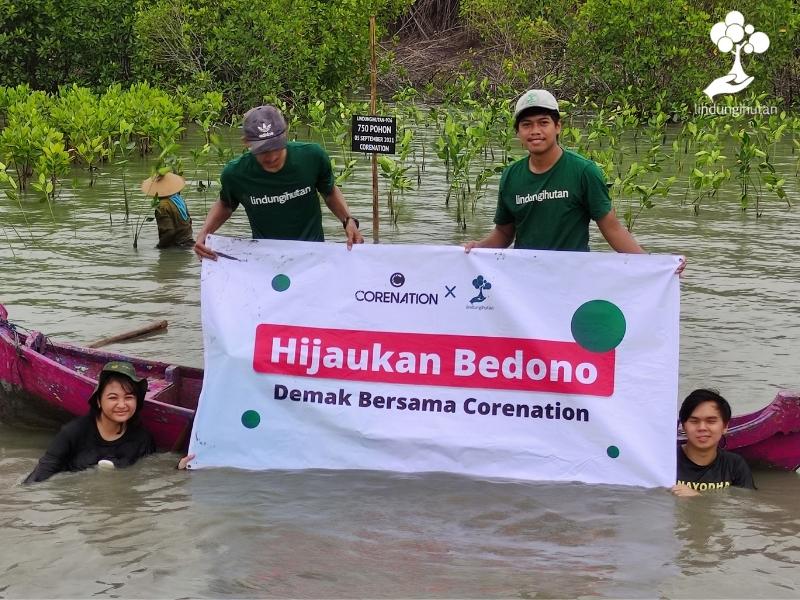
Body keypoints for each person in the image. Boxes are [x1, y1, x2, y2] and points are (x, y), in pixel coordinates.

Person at [465, 89, 684, 273]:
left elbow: (612, 228)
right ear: (518, 132)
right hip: (524, 279)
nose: (535, 131)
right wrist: (476, 248)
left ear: (558, 126)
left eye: (543, 123)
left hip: (573, 277)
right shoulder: (511, 176)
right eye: (526, 125)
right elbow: (504, 234)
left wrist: (655, 265)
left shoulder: (583, 172)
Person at [193, 104, 363, 260]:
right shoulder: (235, 173)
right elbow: (226, 204)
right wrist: (204, 234)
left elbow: (329, 192)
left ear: (285, 134)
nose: (272, 156)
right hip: (267, 259)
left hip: (312, 256)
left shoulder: (312, 157)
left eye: (276, 146)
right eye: (263, 150)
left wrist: (348, 220)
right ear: (247, 143)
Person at [25, 361, 156, 483]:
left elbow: (146, 475)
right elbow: (41, 474)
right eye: (113, 398)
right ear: (98, 400)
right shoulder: (72, 433)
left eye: (128, 397)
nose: (122, 405)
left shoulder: (142, 439)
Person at [672, 388, 755, 496]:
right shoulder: (668, 461)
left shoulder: (735, 465)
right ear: (683, 426)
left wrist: (698, 497)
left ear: (725, 426)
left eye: (711, 421)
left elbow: (747, 504)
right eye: (694, 421)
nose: (702, 428)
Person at [141, 172, 194, 249]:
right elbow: (189, 221)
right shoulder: (178, 200)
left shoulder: (162, 206)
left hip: (176, 247)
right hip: (188, 243)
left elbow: (169, 232)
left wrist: (159, 247)